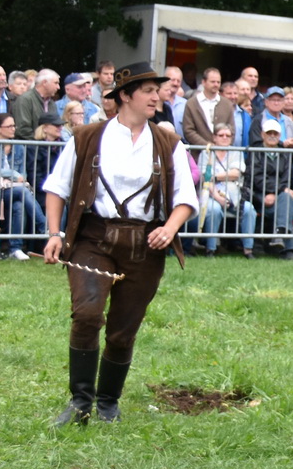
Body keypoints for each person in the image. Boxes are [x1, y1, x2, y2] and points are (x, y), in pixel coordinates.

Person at [40, 62, 198, 425]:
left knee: (123, 331)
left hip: (145, 246)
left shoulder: (168, 141)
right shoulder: (87, 136)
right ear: (125, 95)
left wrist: (170, 228)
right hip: (94, 239)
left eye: (157, 90)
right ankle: (80, 402)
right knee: (87, 314)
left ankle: (108, 403)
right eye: (148, 90)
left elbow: (186, 197)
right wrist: (54, 233)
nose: (156, 96)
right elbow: (56, 187)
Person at [0, 112, 45, 259]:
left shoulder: (19, 147)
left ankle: (15, 248)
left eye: (14, 126)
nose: (13, 129)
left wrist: (16, 177)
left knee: (19, 206)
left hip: (14, 189)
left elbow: (24, 175)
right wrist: (13, 174)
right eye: (9, 126)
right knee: (23, 192)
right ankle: (43, 227)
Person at [197, 124, 257, 257]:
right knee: (214, 210)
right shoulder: (206, 153)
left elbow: (236, 174)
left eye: (228, 135)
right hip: (212, 194)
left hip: (234, 195)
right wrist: (218, 197)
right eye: (221, 135)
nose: (224, 138)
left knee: (249, 209)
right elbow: (205, 179)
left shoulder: (237, 152)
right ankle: (211, 249)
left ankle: (248, 249)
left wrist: (215, 177)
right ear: (214, 137)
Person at [248, 119, 293, 259]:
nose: (272, 136)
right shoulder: (256, 152)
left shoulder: (284, 153)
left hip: (279, 196)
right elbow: (257, 178)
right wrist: (279, 190)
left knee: (286, 200)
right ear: (262, 135)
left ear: (279, 136)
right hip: (259, 195)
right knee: (287, 199)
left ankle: (279, 236)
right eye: (269, 133)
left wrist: (279, 192)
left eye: (275, 133)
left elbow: (287, 177)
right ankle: (288, 249)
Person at [181, 66, 234, 147]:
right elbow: (188, 131)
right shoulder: (191, 103)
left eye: (218, 82)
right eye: (213, 82)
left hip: (222, 154)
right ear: (203, 82)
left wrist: (222, 145)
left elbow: (232, 129)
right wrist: (207, 146)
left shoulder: (227, 104)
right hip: (198, 154)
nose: (216, 84)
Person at [12, 68, 60, 139]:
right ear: (44, 83)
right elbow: (22, 129)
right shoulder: (25, 100)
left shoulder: (52, 103)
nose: (58, 87)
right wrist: (41, 143)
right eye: (56, 83)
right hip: (29, 147)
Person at [160, 67, 188, 132]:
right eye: (173, 80)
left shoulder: (185, 104)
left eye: (178, 81)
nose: (175, 83)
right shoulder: (157, 102)